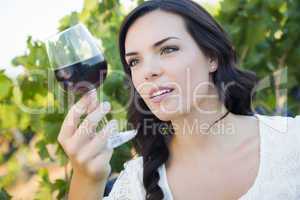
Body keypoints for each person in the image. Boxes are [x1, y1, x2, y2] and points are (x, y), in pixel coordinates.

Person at [58, 0, 300, 199]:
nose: (148, 71)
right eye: (134, 61)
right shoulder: (135, 186)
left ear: (211, 57)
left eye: (168, 49)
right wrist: (87, 180)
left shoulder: (292, 142)